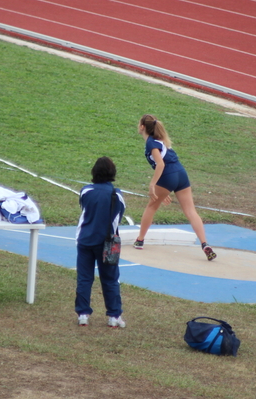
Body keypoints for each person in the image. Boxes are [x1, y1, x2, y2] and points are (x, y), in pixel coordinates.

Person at [133, 114, 216, 261]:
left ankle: (140, 240)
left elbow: (161, 164)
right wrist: (165, 189)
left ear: (142, 127)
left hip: (168, 175)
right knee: (190, 210)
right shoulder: (160, 140)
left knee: (151, 207)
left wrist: (153, 185)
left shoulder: (151, 143)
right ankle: (204, 243)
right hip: (181, 174)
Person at [75, 157, 127, 328]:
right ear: (113, 173)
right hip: (109, 242)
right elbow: (117, 218)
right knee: (111, 279)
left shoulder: (86, 191)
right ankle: (114, 316)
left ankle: (83, 314)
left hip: (85, 240)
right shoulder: (117, 195)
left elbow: (84, 208)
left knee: (84, 278)